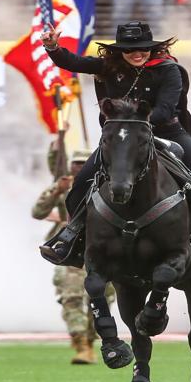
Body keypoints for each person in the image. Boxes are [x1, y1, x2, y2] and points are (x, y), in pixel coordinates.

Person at [39, 21, 191, 266]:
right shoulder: (108, 67)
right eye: (130, 49)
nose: (137, 53)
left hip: (169, 132)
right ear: (120, 50)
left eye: (143, 48)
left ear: (152, 48)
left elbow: (165, 110)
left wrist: (135, 124)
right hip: (122, 139)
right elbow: (72, 62)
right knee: (80, 184)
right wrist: (53, 47)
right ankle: (71, 238)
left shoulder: (169, 70)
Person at [33, 145, 117, 363]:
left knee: (101, 298)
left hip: (100, 248)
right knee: (71, 297)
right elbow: (38, 212)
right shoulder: (63, 185)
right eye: (76, 163)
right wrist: (57, 191)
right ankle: (80, 344)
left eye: (83, 163)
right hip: (72, 249)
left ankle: (91, 340)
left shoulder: (105, 184)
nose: (79, 167)